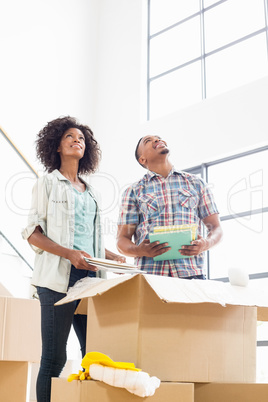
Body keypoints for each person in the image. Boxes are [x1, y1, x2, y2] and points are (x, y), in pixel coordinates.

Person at [22, 116, 125, 402]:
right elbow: (32, 233)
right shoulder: (47, 184)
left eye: (81, 138)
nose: (76, 140)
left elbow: (88, 243)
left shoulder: (91, 192)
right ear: (56, 145)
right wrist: (69, 255)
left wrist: (112, 259)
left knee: (94, 354)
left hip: (91, 281)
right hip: (57, 279)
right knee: (54, 358)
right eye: (69, 136)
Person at [117, 135, 222, 279]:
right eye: (148, 141)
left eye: (158, 138)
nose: (157, 140)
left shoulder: (196, 183)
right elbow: (121, 240)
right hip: (150, 276)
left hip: (192, 274)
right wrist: (140, 250)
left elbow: (216, 228)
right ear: (142, 159)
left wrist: (206, 243)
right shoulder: (133, 191)